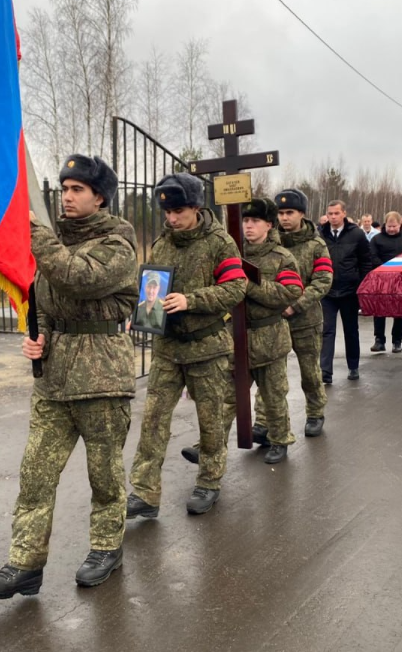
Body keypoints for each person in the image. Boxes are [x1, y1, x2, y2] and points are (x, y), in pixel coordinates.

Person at [0, 154, 138, 598]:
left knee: (104, 475)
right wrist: (39, 336)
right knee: (36, 474)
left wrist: (35, 234)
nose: (66, 197)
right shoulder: (53, 242)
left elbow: (77, 279)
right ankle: (25, 563)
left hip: (102, 378)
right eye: (64, 189)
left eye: (77, 190)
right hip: (54, 380)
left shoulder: (117, 244)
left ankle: (107, 547)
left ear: (99, 197)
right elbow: (45, 301)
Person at [126, 173, 247, 518]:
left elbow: (236, 287)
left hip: (206, 347)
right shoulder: (163, 243)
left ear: (196, 207)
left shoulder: (219, 243)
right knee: (152, 422)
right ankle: (145, 493)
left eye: (178, 211)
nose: (171, 218)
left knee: (210, 421)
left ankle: (209, 482)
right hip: (168, 350)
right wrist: (142, 310)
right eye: (167, 212)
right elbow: (151, 288)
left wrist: (191, 300)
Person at [222, 198, 304, 464]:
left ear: (269, 224)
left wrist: (250, 286)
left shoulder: (282, 258)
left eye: (255, 221)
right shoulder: (231, 255)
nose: (249, 226)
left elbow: (290, 293)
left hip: (269, 338)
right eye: (246, 220)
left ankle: (280, 440)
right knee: (228, 397)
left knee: (273, 395)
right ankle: (210, 447)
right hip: (236, 338)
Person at [259, 189, 333, 438]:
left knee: (309, 371)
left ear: (301, 213)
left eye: (289, 212)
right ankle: (263, 421)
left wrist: (296, 305)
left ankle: (315, 412)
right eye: (280, 213)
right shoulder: (269, 244)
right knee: (269, 373)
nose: (284, 218)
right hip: (273, 320)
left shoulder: (316, 245)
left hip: (305, 320)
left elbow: (323, 280)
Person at [319, 200, 372, 383]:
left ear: (344, 213)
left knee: (351, 330)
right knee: (327, 330)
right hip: (327, 291)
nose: (333, 217)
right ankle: (325, 371)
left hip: (350, 290)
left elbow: (366, 260)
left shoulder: (356, 234)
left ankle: (353, 366)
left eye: (336, 213)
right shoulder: (320, 234)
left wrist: (362, 285)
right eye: (330, 213)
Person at [369, 211, 402, 353]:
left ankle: (397, 341)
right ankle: (379, 340)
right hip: (381, 279)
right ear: (385, 224)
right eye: (389, 226)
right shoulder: (377, 239)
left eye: (394, 226)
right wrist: (385, 268)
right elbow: (372, 256)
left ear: (400, 224)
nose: (391, 229)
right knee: (379, 309)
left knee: (399, 310)